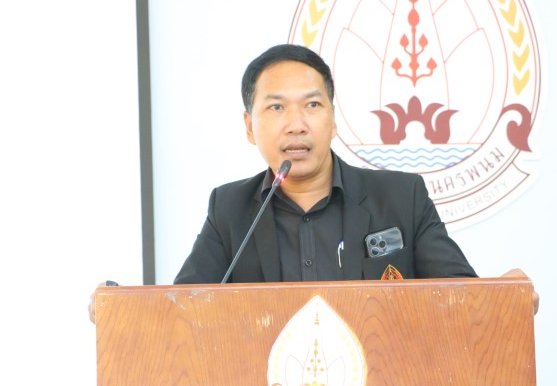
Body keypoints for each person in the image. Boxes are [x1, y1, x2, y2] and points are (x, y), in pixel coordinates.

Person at [174, 44, 477, 285]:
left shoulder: (401, 198)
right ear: (249, 127)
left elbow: (464, 296)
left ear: (333, 120)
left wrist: (502, 295)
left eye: (312, 105)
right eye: (277, 107)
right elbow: (182, 311)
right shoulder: (229, 210)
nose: (296, 125)